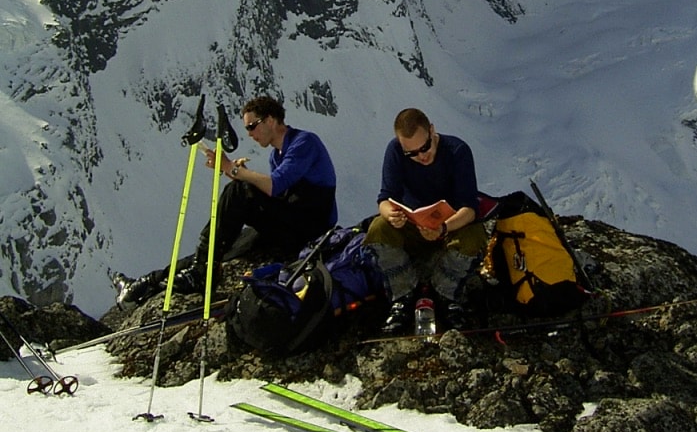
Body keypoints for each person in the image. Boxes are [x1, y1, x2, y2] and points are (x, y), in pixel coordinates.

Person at [114, 96, 338, 306]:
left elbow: (275, 185)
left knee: (238, 191)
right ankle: (146, 284)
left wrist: (235, 171)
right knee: (227, 243)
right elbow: (276, 195)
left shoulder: (304, 142)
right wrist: (233, 171)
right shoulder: (276, 155)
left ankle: (201, 272)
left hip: (312, 231)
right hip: (294, 223)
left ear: (271, 120)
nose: (250, 133)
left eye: (252, 126)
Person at [364, 107, 488, 334]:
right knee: (378, 229)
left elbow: (470, 209)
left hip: (450, 227)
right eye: (411, 153)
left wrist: (442, 228)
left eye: (425, 147)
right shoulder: (394, 151)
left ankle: (446, 292)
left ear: (432, 131)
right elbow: (384, 198)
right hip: (413, 225)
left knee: (475, 237)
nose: (421, 156)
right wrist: (390, 214)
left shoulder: (457, 151)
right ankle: (403, 294)